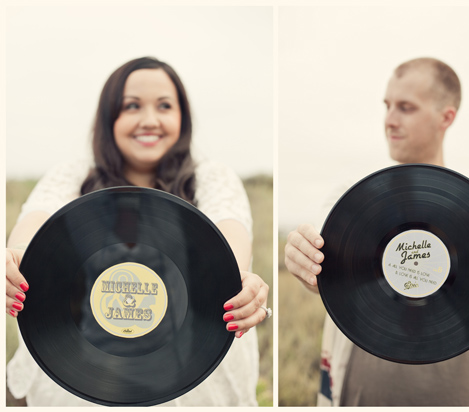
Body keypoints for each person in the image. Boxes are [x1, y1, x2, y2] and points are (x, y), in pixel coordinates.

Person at [5, 57, 270, 406]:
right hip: (84, 376)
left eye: (164, 105)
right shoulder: (72, 174)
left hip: (191, 378)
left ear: (182, 117)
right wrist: (16, 256)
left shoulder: (211, 177)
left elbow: (230, 228)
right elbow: (36, 221)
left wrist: (235, 277)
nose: (149, 120)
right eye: (132, 106)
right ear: (109, 117)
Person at [284, 57, 469, 406]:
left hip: (458, 383)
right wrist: (303, 261)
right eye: (387, 106)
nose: (389, 120)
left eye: (406, 107)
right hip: (364, 382)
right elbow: (324, 278)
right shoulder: (352, 193)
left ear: (446, 117)